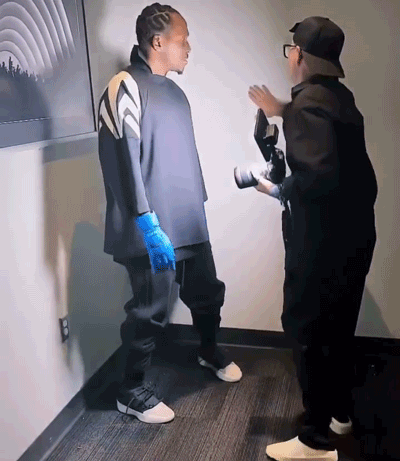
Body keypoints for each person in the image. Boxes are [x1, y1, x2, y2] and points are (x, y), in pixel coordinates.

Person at [97, 3, 242, 425]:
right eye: (183, 39)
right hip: (152, 227)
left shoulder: (176, 93)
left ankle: (208, 351)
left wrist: (199, 211)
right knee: (150, 310)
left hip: (189, 221)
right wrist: (146, 222)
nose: (189, 48)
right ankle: (130, 391)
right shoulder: (124, 86)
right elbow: (121, 160)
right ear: (157, 42)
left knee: (207, 293)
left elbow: (183, 159)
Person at [249, 17, 377, 461]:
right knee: (338, 328)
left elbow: (317, 177)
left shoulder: (307, 107)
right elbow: (326, 144)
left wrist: (277, 188)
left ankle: (315, 441)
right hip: (354, 237)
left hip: (322, 243)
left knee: (308, 331)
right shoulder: (339, 98)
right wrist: (282, 109)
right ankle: (339, 413)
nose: (290, 57)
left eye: (291, 50)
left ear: (299, 55)